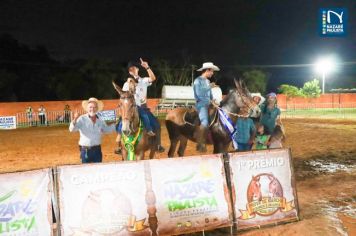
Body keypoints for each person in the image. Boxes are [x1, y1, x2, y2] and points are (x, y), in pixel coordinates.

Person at [115, 58, 165, 155]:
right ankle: (120, 144)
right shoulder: (127, 84)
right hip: (130, 108)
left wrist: (147, 67)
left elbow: (153, 78)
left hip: (142, 107)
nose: (132, 70)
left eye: (134, 68)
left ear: (138, 69)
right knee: (120, 121)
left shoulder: (144, 81)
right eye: (130, 69)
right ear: (129, 72)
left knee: (156, 124)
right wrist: (130, 83)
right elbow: (124, 96)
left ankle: (158, 144)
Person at [69, 97, 115, 163]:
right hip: (85, 151)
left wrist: (115, 125)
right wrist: (75, 119)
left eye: (94, 107)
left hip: (97, 150)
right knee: (85, 171)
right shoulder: (82, 119)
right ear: (87, 108)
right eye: (90, 107)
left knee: (98, 171)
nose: (92, 109)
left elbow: (106, 129)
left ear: (97, 109)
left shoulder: (100, 119)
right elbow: (72, 129)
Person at [193, 62, 220, 152]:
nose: (212, 73)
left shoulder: (207, 81)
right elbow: (199, 94)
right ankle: (200, 143)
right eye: (211, 71)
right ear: (207, 70)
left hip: (209, 103)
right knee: (204, 122)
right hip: (201, 104)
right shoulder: (197, 81)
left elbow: (210, 94)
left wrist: (213, 101)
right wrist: (209, 87)